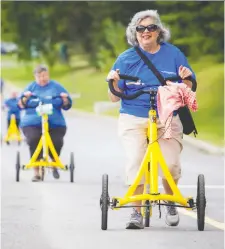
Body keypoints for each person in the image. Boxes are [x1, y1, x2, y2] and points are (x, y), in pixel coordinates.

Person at [107, 10, 196, 229]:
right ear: (134, 33)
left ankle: (170, 200)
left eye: (151, 28)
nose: (146, 32)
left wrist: (186, 81)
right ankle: (136, 212)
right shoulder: (125, 58)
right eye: (141, 28)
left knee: (171, 164)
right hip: (133, 116)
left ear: (159, 31)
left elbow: (189, 89)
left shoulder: (174, 55)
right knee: (136, 162)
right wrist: (114, 82)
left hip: (166, 116)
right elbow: (112, 97)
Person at [18, 65, 72, 182]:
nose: (43, 78)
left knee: (56, 140)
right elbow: (20, 104)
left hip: (55, 121)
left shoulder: (56, 86)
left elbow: (67, 104)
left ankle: (54, 162)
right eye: (40, 76)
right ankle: (36, 171)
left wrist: (65, 100)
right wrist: (25, 99)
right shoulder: (31, 87)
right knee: (33, 139)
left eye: (45, 75)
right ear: (35, 77)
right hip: (33, 121)